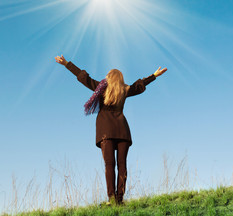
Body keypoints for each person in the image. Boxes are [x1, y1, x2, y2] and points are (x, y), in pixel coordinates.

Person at [55, 54, 167, 205]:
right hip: (123, 131)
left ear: (109, 78)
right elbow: (138, 85)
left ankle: (111, 199)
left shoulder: (101, 88)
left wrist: (67, 63)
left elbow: (83, 77)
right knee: (122, 165)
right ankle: (120, 199)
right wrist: (154, 75)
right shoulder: (125, 90)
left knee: (109, 165)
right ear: (120, 79)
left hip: (105, 132)